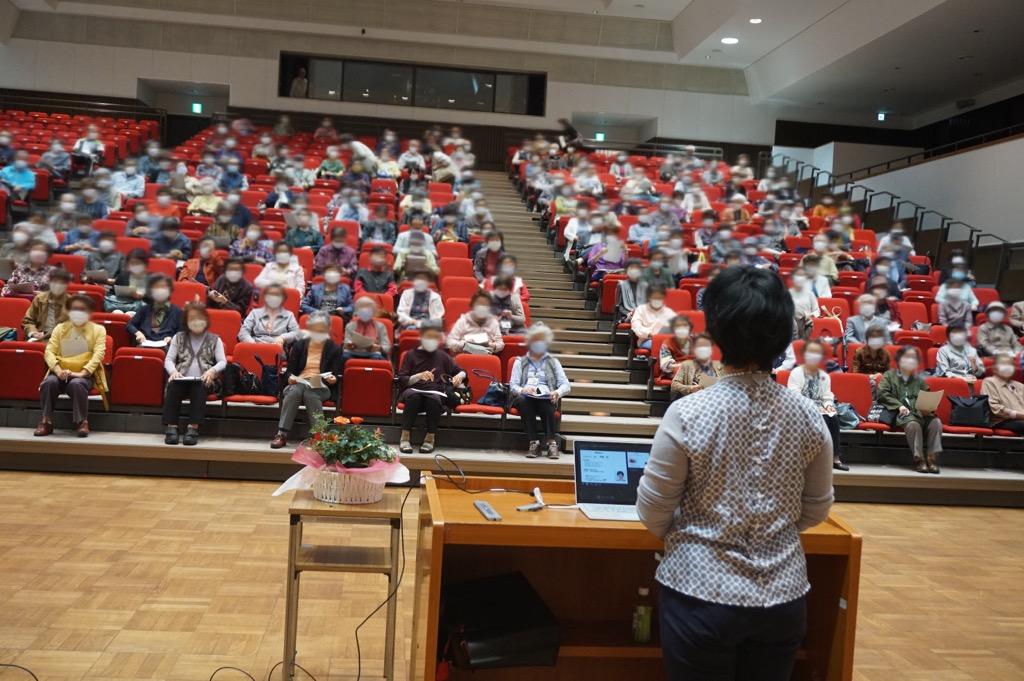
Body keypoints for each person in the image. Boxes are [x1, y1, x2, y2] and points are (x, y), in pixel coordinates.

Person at [637, 266, 834, 680]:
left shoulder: (688, 412)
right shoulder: (809, 416)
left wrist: (698, 535)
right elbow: (816, 509)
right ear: (782, 334)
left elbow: (654, 511)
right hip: (782, 595)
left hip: (700, 595)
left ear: (718, 331)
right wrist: (767, 529)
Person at [34, 294, 108, 438]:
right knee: (48, 382)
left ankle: (82, 421)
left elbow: (99, 354)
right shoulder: (59, 328)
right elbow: (49, 351)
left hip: (84, 375)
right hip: (60, 372)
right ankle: (46, 421)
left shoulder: (99, 330)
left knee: (77, 384)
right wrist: (57, 370)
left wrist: (82, 373)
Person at [271, 312, 343, 449]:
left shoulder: (334, 349)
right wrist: (291, 378)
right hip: (300, 381)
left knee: (311, 391)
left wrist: (332, 379)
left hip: (321, 385)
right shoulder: (300, 346)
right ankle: (282, 434)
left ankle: (320, 435)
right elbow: (289, 371)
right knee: (296, 391)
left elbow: (335, 375)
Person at [396, 321, 466, 454]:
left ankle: (430, 437)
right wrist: (418, 376)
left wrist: (460, 377)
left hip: (434, 391)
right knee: (414, 398)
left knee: (433, 400)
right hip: (413, 389)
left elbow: (461, 370)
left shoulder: (442, 356)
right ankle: (405, 436)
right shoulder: (410, 355)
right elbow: (402, 379)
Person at [162, 303, 226, 446]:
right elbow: (169, 359)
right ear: (186, 321)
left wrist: (212, 371)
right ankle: (172, 427)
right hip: (182, 378)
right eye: (192, 319)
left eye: (199, 318)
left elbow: (222, 362)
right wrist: (173, 371)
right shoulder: (178, 337)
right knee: (173, 386)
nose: (196, 322)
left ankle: (193, 428)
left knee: (199, 387)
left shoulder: (215, 339)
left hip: (206, 379)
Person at [509, 324, 571, 459]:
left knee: (548, 400)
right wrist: (523, 389)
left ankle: (551, 443)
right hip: (526, 397)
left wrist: (557, 393)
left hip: (544, 396)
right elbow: (513, 386)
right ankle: (534, 443)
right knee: (523, 400)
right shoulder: (520, 361)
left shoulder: (553, 362)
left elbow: (566, 384)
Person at [787, 340, 848, 471]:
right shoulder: (796, 373)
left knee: (833, 418)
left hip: (821, 409)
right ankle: (817, 459)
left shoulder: (824, 375)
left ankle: (835, 458)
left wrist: (828, 405)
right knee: (823, 418)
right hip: (801, 408)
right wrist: (814, 406)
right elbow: (794, 395)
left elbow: (827, 395)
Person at [126, 275, 183, 347]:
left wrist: (172, 338)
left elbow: (182, 333)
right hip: (145, 343)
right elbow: (130, 325)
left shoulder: (178, 312)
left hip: (167, 346)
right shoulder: (144, 309)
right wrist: (137, 333)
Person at [979, 353, 1024, 436]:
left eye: (1010, 365)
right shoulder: (989, 382)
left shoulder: (1020, 385)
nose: (1008, 367)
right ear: (994, 369)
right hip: (1002, 420)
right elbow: (995, 408)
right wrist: (1019, 415)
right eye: (1004, 364)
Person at [21, 268, 71, 341]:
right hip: (37, 338)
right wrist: (33, 333)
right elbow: (28, 321)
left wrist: (46, 334)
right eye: (55, 282)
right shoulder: (39, 298)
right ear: (49, 282)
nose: (58, 286)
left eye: (62, 283)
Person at [669, 334, 723, 400]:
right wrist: (690, 388)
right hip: (692, 401)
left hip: (714, 401)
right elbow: (674, 385)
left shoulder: (719, 366)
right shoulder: (686, 365)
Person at [343, 297, 390, 363]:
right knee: (344, 357)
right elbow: (346, 343)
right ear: (357, 311)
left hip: (373, 353)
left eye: (368, 309)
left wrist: (379, 348)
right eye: (362, 308)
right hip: (353, 352)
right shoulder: (350, 326)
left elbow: (386, 346)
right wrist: (348, 345)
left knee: (376, 358)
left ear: (373, 311)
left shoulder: (380, 326)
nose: (365, 311)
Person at [631, 286, 676, 351]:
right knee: (663, 347)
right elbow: (636, 326)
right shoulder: (641, 309)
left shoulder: (668, 312)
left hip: (666, 340)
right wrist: (649, 334)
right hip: (647, 340)